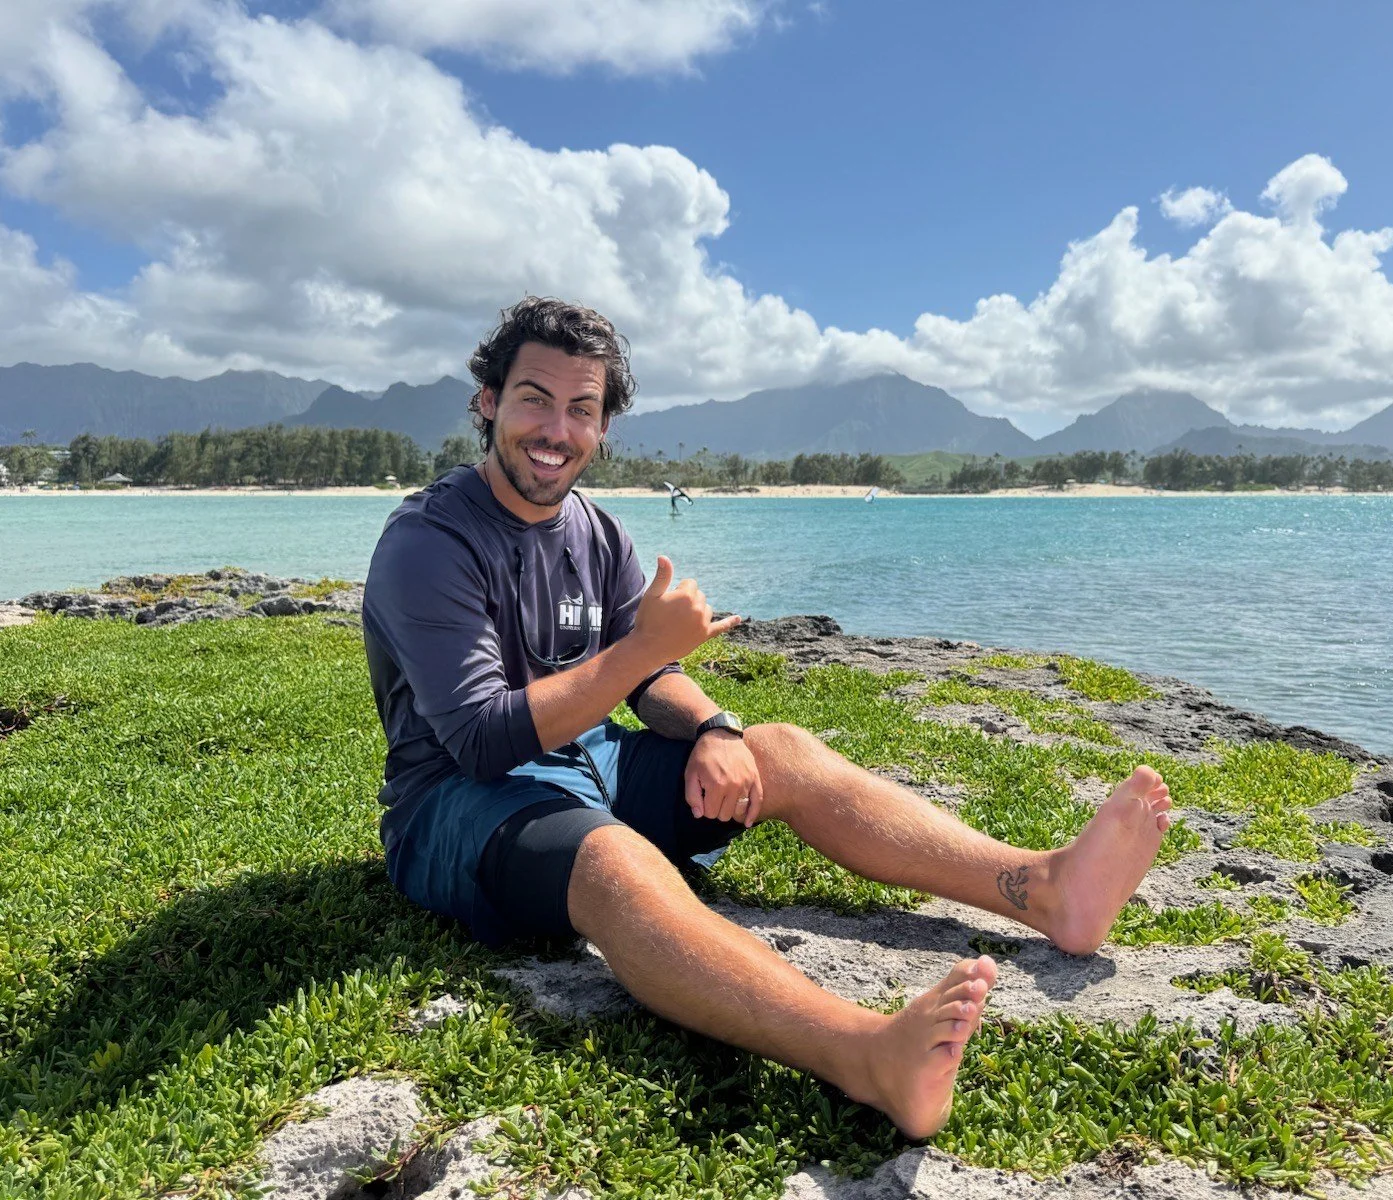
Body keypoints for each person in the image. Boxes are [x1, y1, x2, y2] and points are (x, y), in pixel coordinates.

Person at [362, 297, 1174, 1139]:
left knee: (775, 749)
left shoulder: (596, 534)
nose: (555, 430)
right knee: (612, 861)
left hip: (588, 761)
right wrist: (641, 652)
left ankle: (1046, 890)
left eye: (582, 409)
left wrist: (714, 728)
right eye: (534, 398)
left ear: (604, 424)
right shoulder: (429, 542)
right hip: (457, 804)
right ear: (488, 400)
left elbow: (650, 682)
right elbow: (482, 736)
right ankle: (867, 1054)